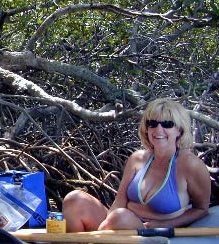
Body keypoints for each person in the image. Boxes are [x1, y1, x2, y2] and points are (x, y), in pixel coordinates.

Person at [62, 98, 210, 232]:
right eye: (152, 124)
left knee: (121, 218)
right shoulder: (137, 158)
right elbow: (120, 201)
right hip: (119, 224)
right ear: (147, 128)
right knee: (74, 199)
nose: (158, 130)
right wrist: (109, 220)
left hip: (151, 232)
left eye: (167, 124)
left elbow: (201, 209)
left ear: (179, 130)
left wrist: (167, 224)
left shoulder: (190, 165)